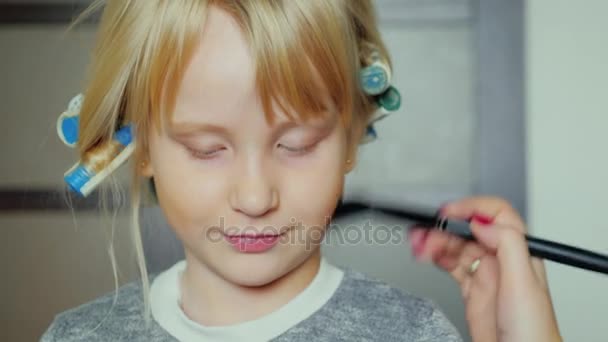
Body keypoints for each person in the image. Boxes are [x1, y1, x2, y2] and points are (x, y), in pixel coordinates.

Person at [42, 0, 562, 341]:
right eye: (206, 148)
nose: (254, 196)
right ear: (141, 144)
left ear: (351, 136)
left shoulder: (411, 333)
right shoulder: (77, 336)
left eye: (297, 144)